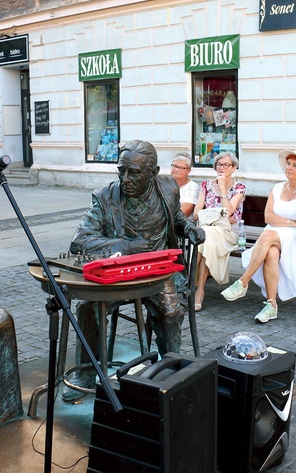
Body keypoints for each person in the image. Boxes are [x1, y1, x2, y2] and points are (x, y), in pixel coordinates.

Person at [66, 139, 205, 402]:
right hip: (120, 275)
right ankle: (86, 370)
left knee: (171, 310)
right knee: (87, 306)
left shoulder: (168, 188)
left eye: (134, 173)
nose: (125, 179)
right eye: (121, 171)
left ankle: (171, 369)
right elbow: (80, 241)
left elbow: (176, 218)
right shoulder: (105, 197)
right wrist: (127, 246)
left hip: (160, 272)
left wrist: (187, 228)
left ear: (153, 173)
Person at [221, 148, 296, 322]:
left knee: (267, 236)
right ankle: (271, 305)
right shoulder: (277, 187)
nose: (289, 167)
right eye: (288, 163)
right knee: (271, 252)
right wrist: (290, 222)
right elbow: (268, 217)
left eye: (295, 165)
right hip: (275, 233)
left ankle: (243, 282)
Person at [192, 151, 245, 311]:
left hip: (229, 233)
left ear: (234, 168)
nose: (222, 168)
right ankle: (199, 290)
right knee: (206, 238)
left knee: (205, 237)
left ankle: (192, 287)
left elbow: (228, 212)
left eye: (226, 165)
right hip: (208, 231)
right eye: (219, 164)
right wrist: (219, 216)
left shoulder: (239, 188)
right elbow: (196, 213)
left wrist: (222, 188)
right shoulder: (205, 185)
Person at [170, 151, 200, 217]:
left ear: (188, 171)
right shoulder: (164, 183)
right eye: (175, 166)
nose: (176, 170)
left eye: (181, 168)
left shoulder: (192, 187)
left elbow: (184, 213)